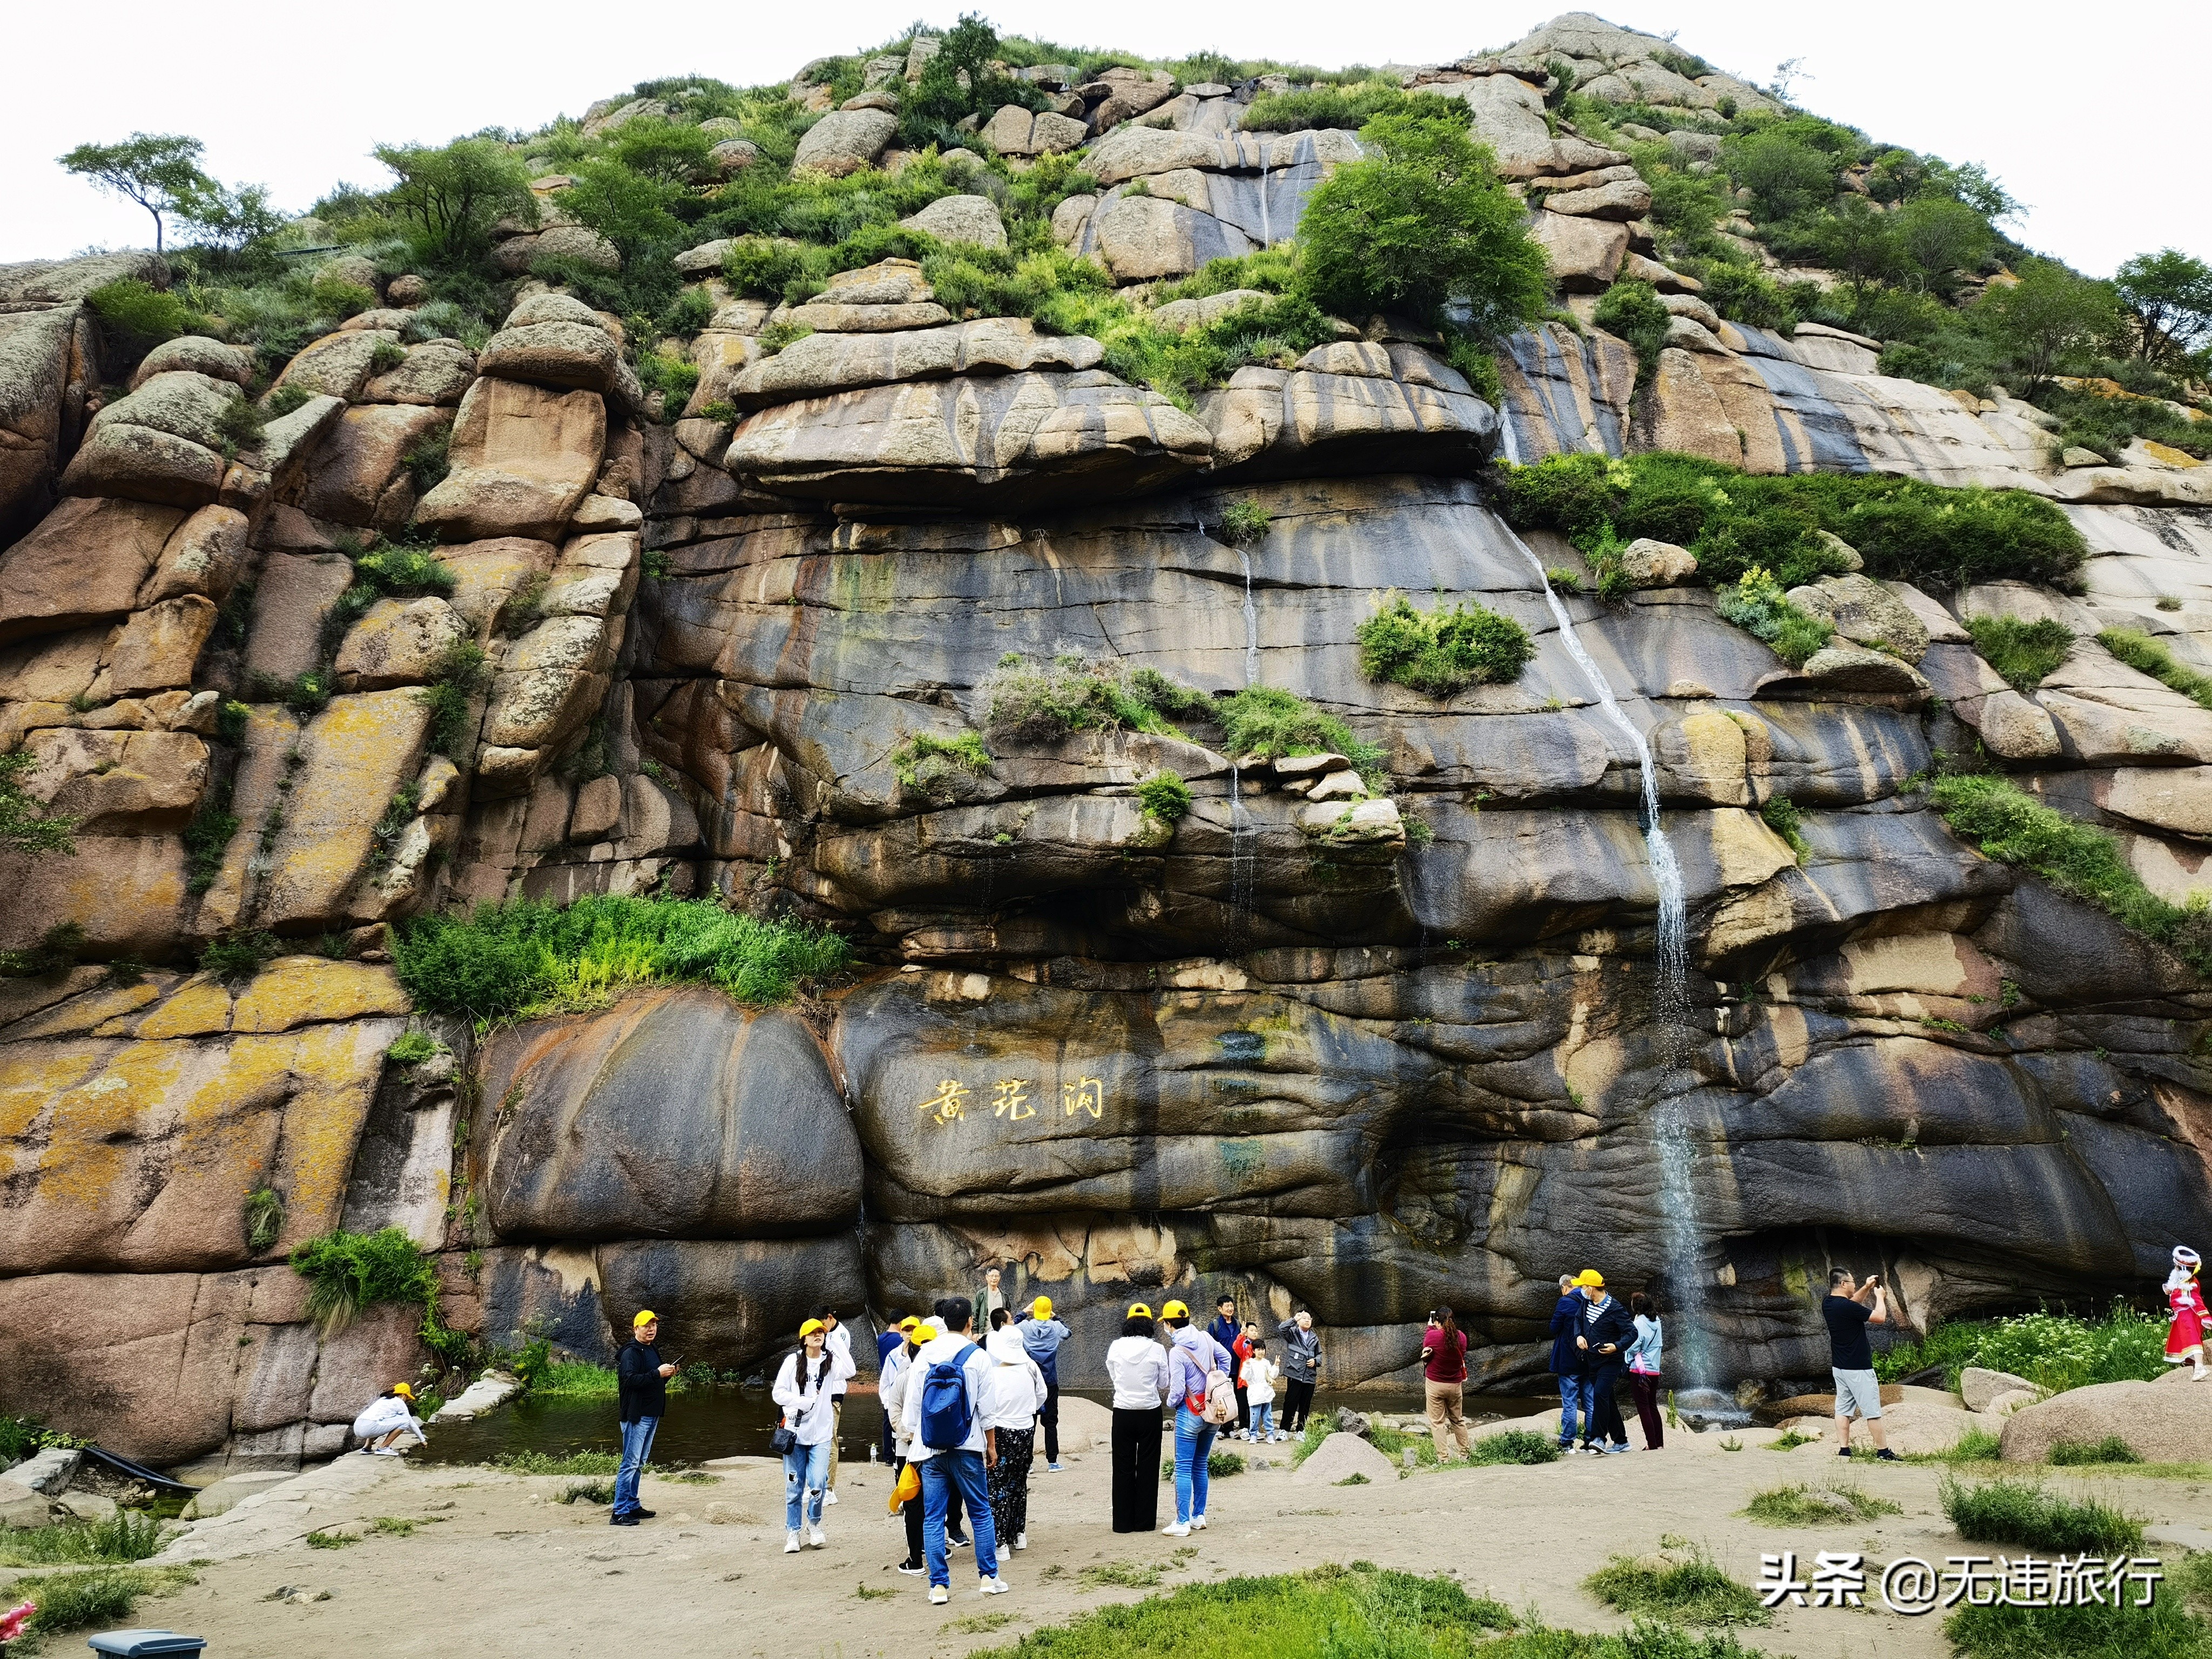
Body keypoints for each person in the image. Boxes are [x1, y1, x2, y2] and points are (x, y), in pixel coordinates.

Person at [900, 1296, 1007, 1604]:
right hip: (968, 1447)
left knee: (933, 1517)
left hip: (931, 1451)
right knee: (980, 1512)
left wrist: (924, 1437)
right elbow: (988, 1410)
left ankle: (939, 1587)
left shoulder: (925, 1355)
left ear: (944, 1322)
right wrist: (991, 1446)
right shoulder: (978, 1356)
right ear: (971, 1322)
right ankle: (989, 1578)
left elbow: (911, 1414)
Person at [773, 1317, 854, 1552]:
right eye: (813, 1333)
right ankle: (793, 1532)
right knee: (794, 1487)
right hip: (796, 1433)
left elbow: (851, 1370)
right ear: (804, 1339)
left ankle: (815, 1524)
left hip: (821, 1435)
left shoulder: (830, 1362)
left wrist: (834, 1340)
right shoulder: (793, 1362)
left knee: (818, 1483)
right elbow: (778, 1393)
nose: (818, 1335)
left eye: (821, 1332)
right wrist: (802, 1402)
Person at [1162, 1299, 1230, 1537]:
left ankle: (1182, 1522)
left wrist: (1171, 1404)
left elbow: (1178, 1390)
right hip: (1212, 1411)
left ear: (1169, 1324)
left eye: (1166, 1324)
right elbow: (1226, 1358)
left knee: (1182, 1467)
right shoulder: (1205, 1337)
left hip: (1190, 1412)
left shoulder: (1177, 1352)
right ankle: (1198, 1516)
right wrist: (1218, 1383)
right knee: (1201, 1464)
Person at [982, 1314, 1049, 1552]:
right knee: (1019, 1482)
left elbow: (986, 1409)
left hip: (1001, 1432)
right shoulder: (1031, 1367)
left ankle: (1000, 1543)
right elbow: (1042, 1395)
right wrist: (1027, 1409)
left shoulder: (993, 1374)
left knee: (998, 1485)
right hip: (1026, 1429)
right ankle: (1018, 1534)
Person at [1105, 1303, 1171, 1533]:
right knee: (1148, 1465)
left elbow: (1114, 1375)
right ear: (1150, 1324)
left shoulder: (1115, 1346)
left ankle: (1122, 1523)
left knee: (1122, 1466)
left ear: (1128, 1322)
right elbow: (1164, 1382)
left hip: (1123, 1410)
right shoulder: (1157, 1349)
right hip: (1150, 1410)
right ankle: (1145, 1522)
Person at [1823, 1268, 1900, 1461]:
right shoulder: (1846, 1307)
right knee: (1872, 1411)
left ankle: (1844, 1451)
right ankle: (1883, 1452)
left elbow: (1851, 1304)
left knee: (1843, 1409)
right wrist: (1879, 1297)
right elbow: (1880, 1318)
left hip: (1840, 1367)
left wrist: (1866, 1287)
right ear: (1843, 1284)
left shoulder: (1829, 1303)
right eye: (1852, 1282)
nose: (1854, 1285)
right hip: (1859, 1368)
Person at [613, 1310, 675, 1526]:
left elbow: (652, 1381)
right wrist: (657, 1373)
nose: (651, 1329)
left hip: (652, 1414)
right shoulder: (631, 1353)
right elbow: (630, 1380)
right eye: (646, 1326)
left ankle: (632, 1505)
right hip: (636, 1416)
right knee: (630, 1464)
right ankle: (619, 1512)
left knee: (639, 1463)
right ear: (636, 1329)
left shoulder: (651, 1349)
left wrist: (666, 1375)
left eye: (654, 1325)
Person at [883, 1319, 930, 1575]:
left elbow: (894, 1413)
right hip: (935, 1449)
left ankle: (916, 1558)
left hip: (910, 1450)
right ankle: (931, 1548)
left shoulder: (904, 1378)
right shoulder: (948, 1373)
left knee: (913, 1503)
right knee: (934, 1502)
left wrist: (909, 1436)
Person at [1018, 1296, 1071, 1471]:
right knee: (1051, 1422)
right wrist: (1055, 1317)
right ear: (1049, 1311)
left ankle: (1028, 1464)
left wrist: (1023, 1313)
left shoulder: (1025, 1326)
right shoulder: (1056, 1327)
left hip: (1030, 1381)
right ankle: (1053, 1462)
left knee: (1029, 1422)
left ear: (1034, 1310)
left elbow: (1007, 1330)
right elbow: (1068, 1333)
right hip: (1050, 1380)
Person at [1421, 1307, 1472, 1461]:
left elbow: (1426, 1347)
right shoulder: (1462, 1337)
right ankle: (1465, 1455)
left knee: (1438, 1423)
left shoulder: (1432, 1335)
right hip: (1455, 1386)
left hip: (1435, 1385)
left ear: (1437, 1320)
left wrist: (1430, 1327)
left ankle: (1443, 1459)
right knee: (1458, 1420)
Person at [817, 1305, 853, 1503]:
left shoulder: (841, 1335)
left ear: (830, 1318)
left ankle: (829, 1489)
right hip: (819, 1393)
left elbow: (841, 1365)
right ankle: (817, 1485)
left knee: (830, 1439)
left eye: (823, 1325)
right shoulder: (825, 1334)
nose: (821, 1330)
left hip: (834, 1392)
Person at [1549, 1273, 1588, 1453]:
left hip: (1568, 1359)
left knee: (1570, 1403)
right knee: (1590, 1403)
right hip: (1587, 1359)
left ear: (1565, 1287)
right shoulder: (1590, 1300)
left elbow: (1554, 1328)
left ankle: (1567, 1443)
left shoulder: (1565, 1302)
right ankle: (1592, 1442)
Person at [1623, 1292, 1664, 1449]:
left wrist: (1623, 1347)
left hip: (1640, 1371)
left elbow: (1634, 1346)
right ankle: (1659, 1444)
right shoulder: (1656, 1321)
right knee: (1652, 1406)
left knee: (1643, 1408)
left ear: (1636, 1307)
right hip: (1654, 1370)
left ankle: (1652, 1445)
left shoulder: (1640, 1323)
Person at [1276, 1310, 1322, 1434]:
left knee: (1305, 1405)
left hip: (1309, 1376)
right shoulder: (1293, 1333)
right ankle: (1284, 1430)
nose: (1307, 1320)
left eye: (1309, 1318)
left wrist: (1315, 1361)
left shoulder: (1314, 1337)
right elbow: (1281, 1329)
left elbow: (1320, 1355)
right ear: (1299, 1321)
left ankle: (1301, 1431)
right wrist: (1294, 1319)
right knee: (1290, 1403)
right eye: (1304, 1318)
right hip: (1295, 1374)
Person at [1206, 1295, 1245, 1437]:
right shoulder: (1215, 1325)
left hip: (1236, 1367)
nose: (1230, 1308)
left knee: (1231, 1397)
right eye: (1227, 1306)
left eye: (1232, 1306)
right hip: (1220, 1369)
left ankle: (1229, 1428)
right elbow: (1210, 1347)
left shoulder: (1238, 1324)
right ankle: (1219, 1428)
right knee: (1219, 1397)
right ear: (1220, 1308)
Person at [880, 1315, 918, 1464]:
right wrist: (887, 1403)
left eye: (913, 1330)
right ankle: (890, 1458)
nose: (910, 1334)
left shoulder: (921, 1355)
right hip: (895, 1404)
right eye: (907, 1330)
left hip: (912, 1405)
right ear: (901, 1333)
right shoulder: (893, 1355)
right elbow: (885, 1381)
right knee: (893, 1433)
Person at [2166, 1246, 2208, 1379]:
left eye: (2177, 1266)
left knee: (2193, 1339)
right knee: (2187, 1340)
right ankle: (2197, 1369)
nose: (2175, 1268)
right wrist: (2170, 1290)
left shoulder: (2191, 1284)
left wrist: (2205, 1316)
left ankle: (2200, 1368)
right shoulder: (2182, 1281)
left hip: (2188, 1315)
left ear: (2182, 1268)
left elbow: (2196, 1300)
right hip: (2182, 1316)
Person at [352, 1382, 426, 1455]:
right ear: (404, 1395)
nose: (407, 1400)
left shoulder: (383, 1399)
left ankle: (367, 1448)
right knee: (406, 1421)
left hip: (357, 1427)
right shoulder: (399, 1402)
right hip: (369, 1428)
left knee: (378, 1419)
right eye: (407, 1398)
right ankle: (384, 1447)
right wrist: (422, 1440)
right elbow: (410, 1423)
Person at [1240, 1329, 1281, 1442]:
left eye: (1263, 1349)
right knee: (1255, 1415)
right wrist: (1247, 1366)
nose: (1261, 1352)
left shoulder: (1266, 1362)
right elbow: (1245, 1376)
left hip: (1266, 1391)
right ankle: (1253, 1435)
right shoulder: (1250, 1363)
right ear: (1253, 1350)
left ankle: (1270, 1434)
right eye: (1258, 1349)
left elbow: (1272, 1375)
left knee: (1268, 1415)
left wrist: (1276, 1365)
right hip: (1255, 1392)